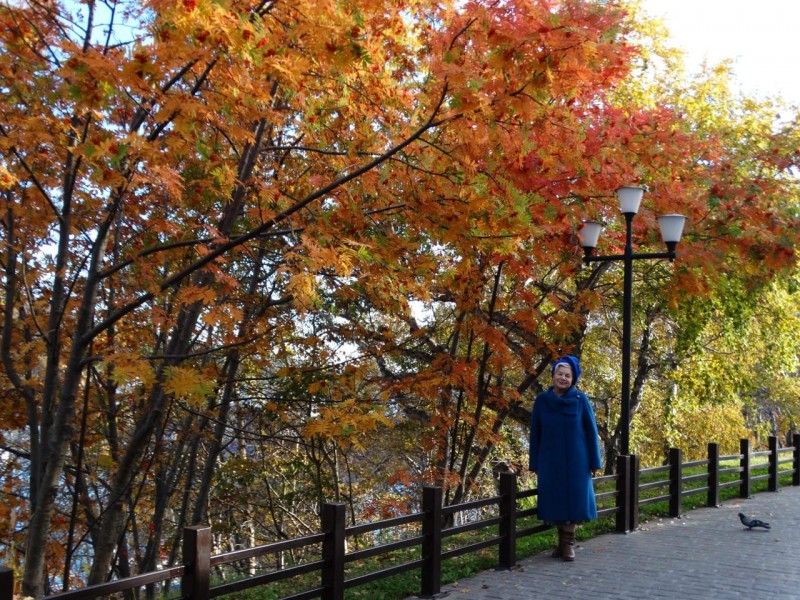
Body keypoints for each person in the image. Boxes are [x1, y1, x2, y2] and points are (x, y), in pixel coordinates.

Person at [528, 355, 602, 561]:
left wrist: (595, 461)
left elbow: (591, 431)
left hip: (578, 461)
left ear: (573, 378)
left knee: (574, 501)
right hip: (550, 460)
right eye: (559, 374)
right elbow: (535, 433)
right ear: (553, 376)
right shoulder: (542, 400)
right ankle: (561, 543)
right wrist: (534, 463)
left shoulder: (581, 399)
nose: (563, 378)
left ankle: (568, 544)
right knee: (556, 500)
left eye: (567, 375)